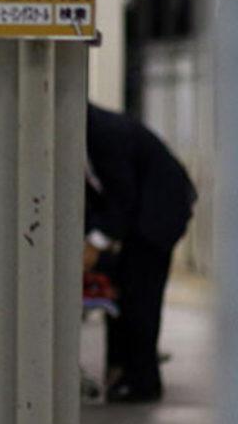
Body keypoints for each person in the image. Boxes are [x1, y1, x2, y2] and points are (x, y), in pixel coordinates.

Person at [84, 103, 197, 403]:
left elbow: (122, 194)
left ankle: (142, 382)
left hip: (157, 216)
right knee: (123, 291)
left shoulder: (105, 134)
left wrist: (95, 243)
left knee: (141, 295)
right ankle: (121, 371)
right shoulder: (89, 132)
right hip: (141, 214)